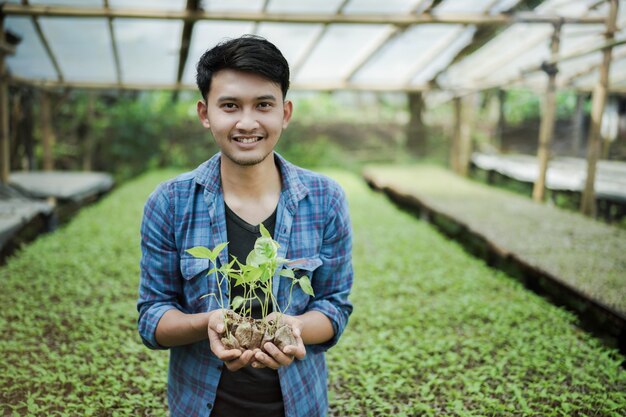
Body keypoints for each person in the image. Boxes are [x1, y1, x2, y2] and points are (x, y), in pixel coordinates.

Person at [137, 35, 353, 417]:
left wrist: (295, 327)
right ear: (205, 114)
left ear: (285, 113)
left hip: (300, 403)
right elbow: (152, 316)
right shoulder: (170, 201)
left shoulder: (325, 199)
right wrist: (210, 322)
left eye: (263, 105)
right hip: (200, 405)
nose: (247, 122)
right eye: (230, 106)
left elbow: (334, 306)